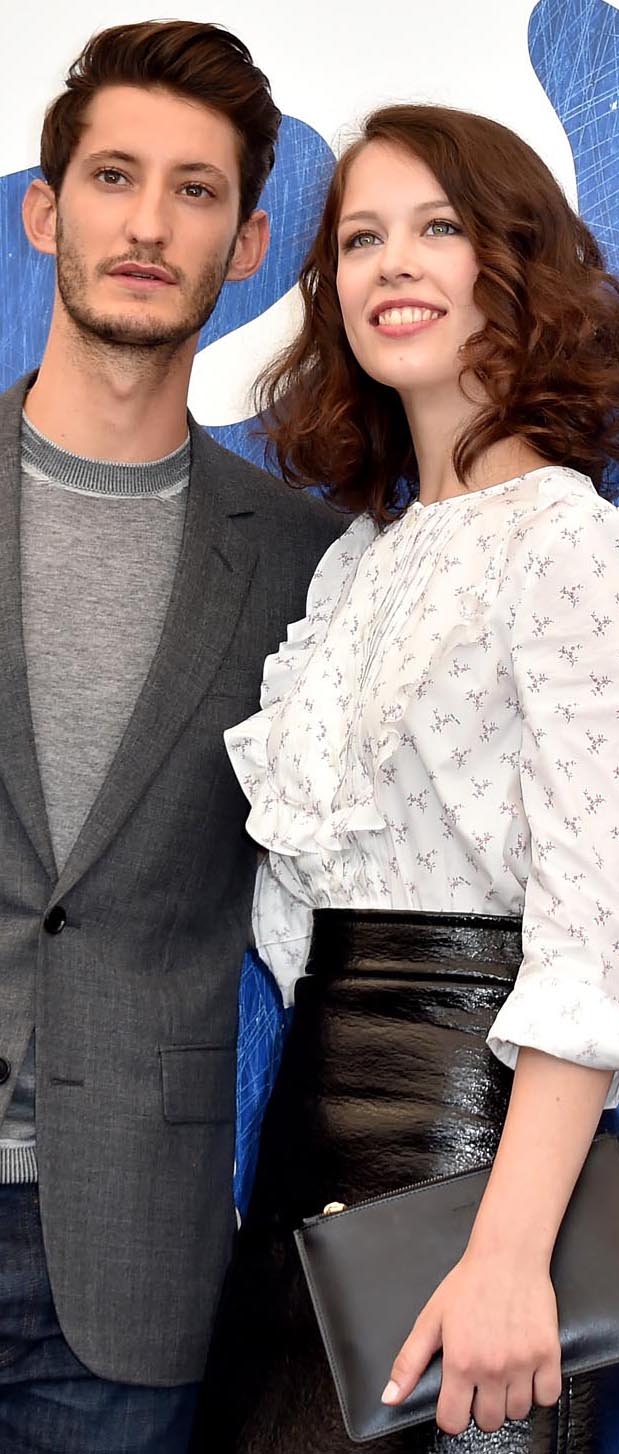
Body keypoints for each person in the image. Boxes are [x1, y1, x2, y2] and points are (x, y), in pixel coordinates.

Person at [203, 104, 619, 1453]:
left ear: (514, 265)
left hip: (479, 1168)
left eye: (438, 228)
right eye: (361, 238)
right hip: (310, 1168)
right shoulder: (358, 570)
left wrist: (509, 1253)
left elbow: (596, 939)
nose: (392, 264)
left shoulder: (578, 549)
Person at [0, 20, 341, 1454]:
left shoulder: (308, 562)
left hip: (130, 1261)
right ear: (43, 209)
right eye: (115, 176)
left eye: (195, 190)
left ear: (249, 239)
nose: (149, 223)